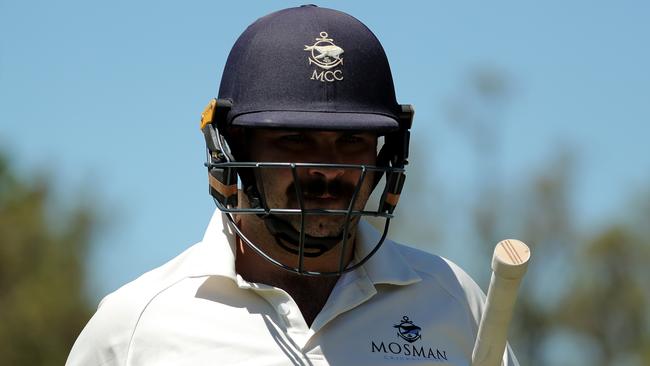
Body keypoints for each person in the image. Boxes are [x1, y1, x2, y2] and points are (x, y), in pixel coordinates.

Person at [67, 5, 519, 365]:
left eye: (350, 141)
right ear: (233, 150)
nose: (327, 170)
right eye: (294, 139)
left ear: (386, 155)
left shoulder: (452, 302)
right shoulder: (133, 327)